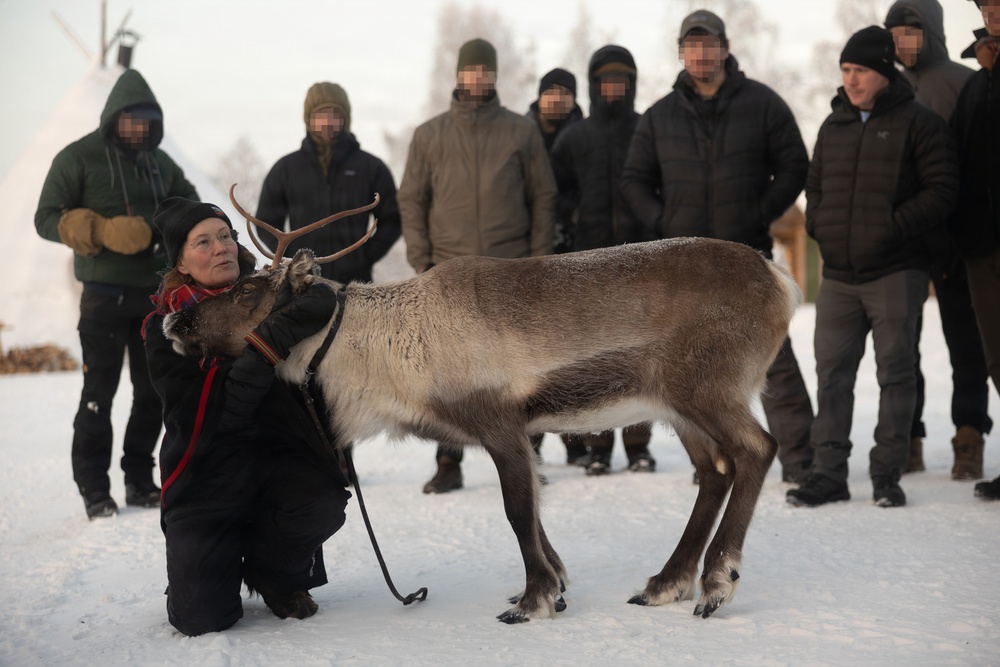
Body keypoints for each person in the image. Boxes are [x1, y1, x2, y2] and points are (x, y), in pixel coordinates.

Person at [620, 10, 815, 484]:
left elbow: (794, 162)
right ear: (680, 52)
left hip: (744, 258)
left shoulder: (762, 104)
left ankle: (803, 462)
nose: (702, 55)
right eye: (692, 46)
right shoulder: (659, 116)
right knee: (688, 369)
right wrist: (663, 223)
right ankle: (712, 462)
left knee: (776, 362)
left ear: (726, 49)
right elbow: (634, 179)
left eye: (710, 45)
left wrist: (760, 209)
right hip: (683, 271)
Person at [143, 196, 351, 636]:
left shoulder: (267, 291)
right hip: (207, 477)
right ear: (180, 262)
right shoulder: (168, 325)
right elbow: (225, 415)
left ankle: (272, 573)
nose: (221, 248)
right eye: (203, 242)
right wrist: (269, 342)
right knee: (202, 619)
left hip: (274, 467)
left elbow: (323, 301)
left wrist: (293, 311)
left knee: (322, 505)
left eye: (225, 237)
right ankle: (199, 571)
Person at [788, 26, 958, 508]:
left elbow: (943, 190)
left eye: (861, 70)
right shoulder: (832, 125)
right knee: (832, 376)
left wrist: (891, 226)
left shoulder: (920, 123)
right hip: (840, 276)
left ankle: (887, 474)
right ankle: (828, 475)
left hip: (895, 271)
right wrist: (821, 225)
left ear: (884, 72)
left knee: (895, 374)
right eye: (845, 70)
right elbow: (813, 188)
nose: (852, 79)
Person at [34, 69, 198, 520]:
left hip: (152, 298)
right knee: (97, 394)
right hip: (103, 296)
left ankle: (139, 481)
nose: (139, 128)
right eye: (130, 119)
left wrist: (177, 230)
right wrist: (98, 229)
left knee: (152, 394)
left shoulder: (160, 163)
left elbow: (192, 203)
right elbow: (45, 217)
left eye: (146, 120)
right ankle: (94, 490)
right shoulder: (78, 158)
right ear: (114, 117)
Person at [398, 37, 557, 494]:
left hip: (513, 267)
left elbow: (542, 197)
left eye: (486, 71)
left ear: (494, 75)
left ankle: (530, 453)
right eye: (471, 70)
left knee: (524, 362)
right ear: (459, 75)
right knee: (451, 370)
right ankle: (449, 460)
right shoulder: (429, 135)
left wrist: (540, 260)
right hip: (449, 270)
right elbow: (411, 199)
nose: (478, 78)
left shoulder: (520, 131)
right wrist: (421, 260)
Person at [884, 0, 992, 481]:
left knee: (966, 342)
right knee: (901, 347)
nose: (901, 44)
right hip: (903, 239)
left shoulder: (962, 81)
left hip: (955, 237)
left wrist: (960, 233)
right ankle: (910, 437)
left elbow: (973, 164)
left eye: (910, 32)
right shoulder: (880, 85)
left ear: (931, 32)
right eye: (893, 35)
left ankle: (969, 435)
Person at [551, 45, 656, 476]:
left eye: (621, 81)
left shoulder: (647, 128)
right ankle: (597, 447)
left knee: (642, 358)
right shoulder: (575, 137)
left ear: (631, 85)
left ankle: (638, 447)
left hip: (642, 262)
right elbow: (557, 193)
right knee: (594, 359)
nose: (613, 88)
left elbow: (661, 182)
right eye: (605, 81)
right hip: (589, 265)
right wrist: (570, 229)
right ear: (594, 86)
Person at [256, 82, 401, 284]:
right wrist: (293, 259)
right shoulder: (286, 169)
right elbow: (265, 221)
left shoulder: (371, 167)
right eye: (320, 115)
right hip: (303, 286)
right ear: (309, 119)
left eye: (335, 115)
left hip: (355, 287)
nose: (327, 122)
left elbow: (393, 220)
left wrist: (365, 256)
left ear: (345, 119)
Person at [950, 0, 1000, 500]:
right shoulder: (976, 83)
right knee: (997, 358)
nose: (992, 11)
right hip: (982, 246)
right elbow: (960, 162)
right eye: (985, 3)